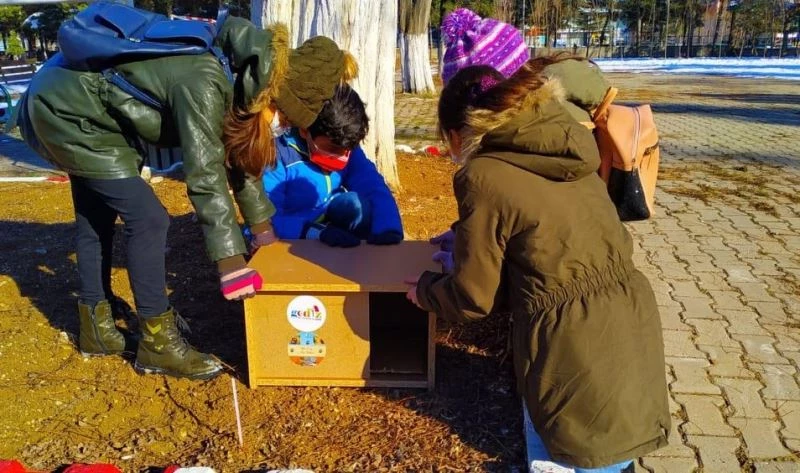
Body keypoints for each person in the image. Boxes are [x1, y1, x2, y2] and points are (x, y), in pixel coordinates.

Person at [10, 12, 358, 380]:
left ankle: (96, 328)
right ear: (275, 95)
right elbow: (205, 173)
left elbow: (240, 158)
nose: (281, 128)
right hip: (68, 112)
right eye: (284, 119)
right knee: (149, 219)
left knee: (96, 215)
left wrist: (263, 230)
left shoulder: (243, 75)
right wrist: (231, 263)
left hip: (78, 104)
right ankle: (158, 342)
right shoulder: (206, 81)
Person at [406, 8, 670, 472]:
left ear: (459, 129)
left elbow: (473, 297)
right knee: (615, 453)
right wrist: (467, 241)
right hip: (629, 322)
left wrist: (425, 292)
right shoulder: (567, 140)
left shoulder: (483, 175)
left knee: (577, 456)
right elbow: (539, 233)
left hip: (567, 345)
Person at [262, 84, 403, 247]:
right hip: (294, 232)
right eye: (333, 149)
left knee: (357, 206)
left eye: (347, 149)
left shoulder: (344, 144)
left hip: (332, 217)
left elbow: (372, 185)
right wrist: (315, 232)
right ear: (304, 131)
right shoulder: (277, 155)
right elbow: (268, 219)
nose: (341, 157)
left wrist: (388, 227)